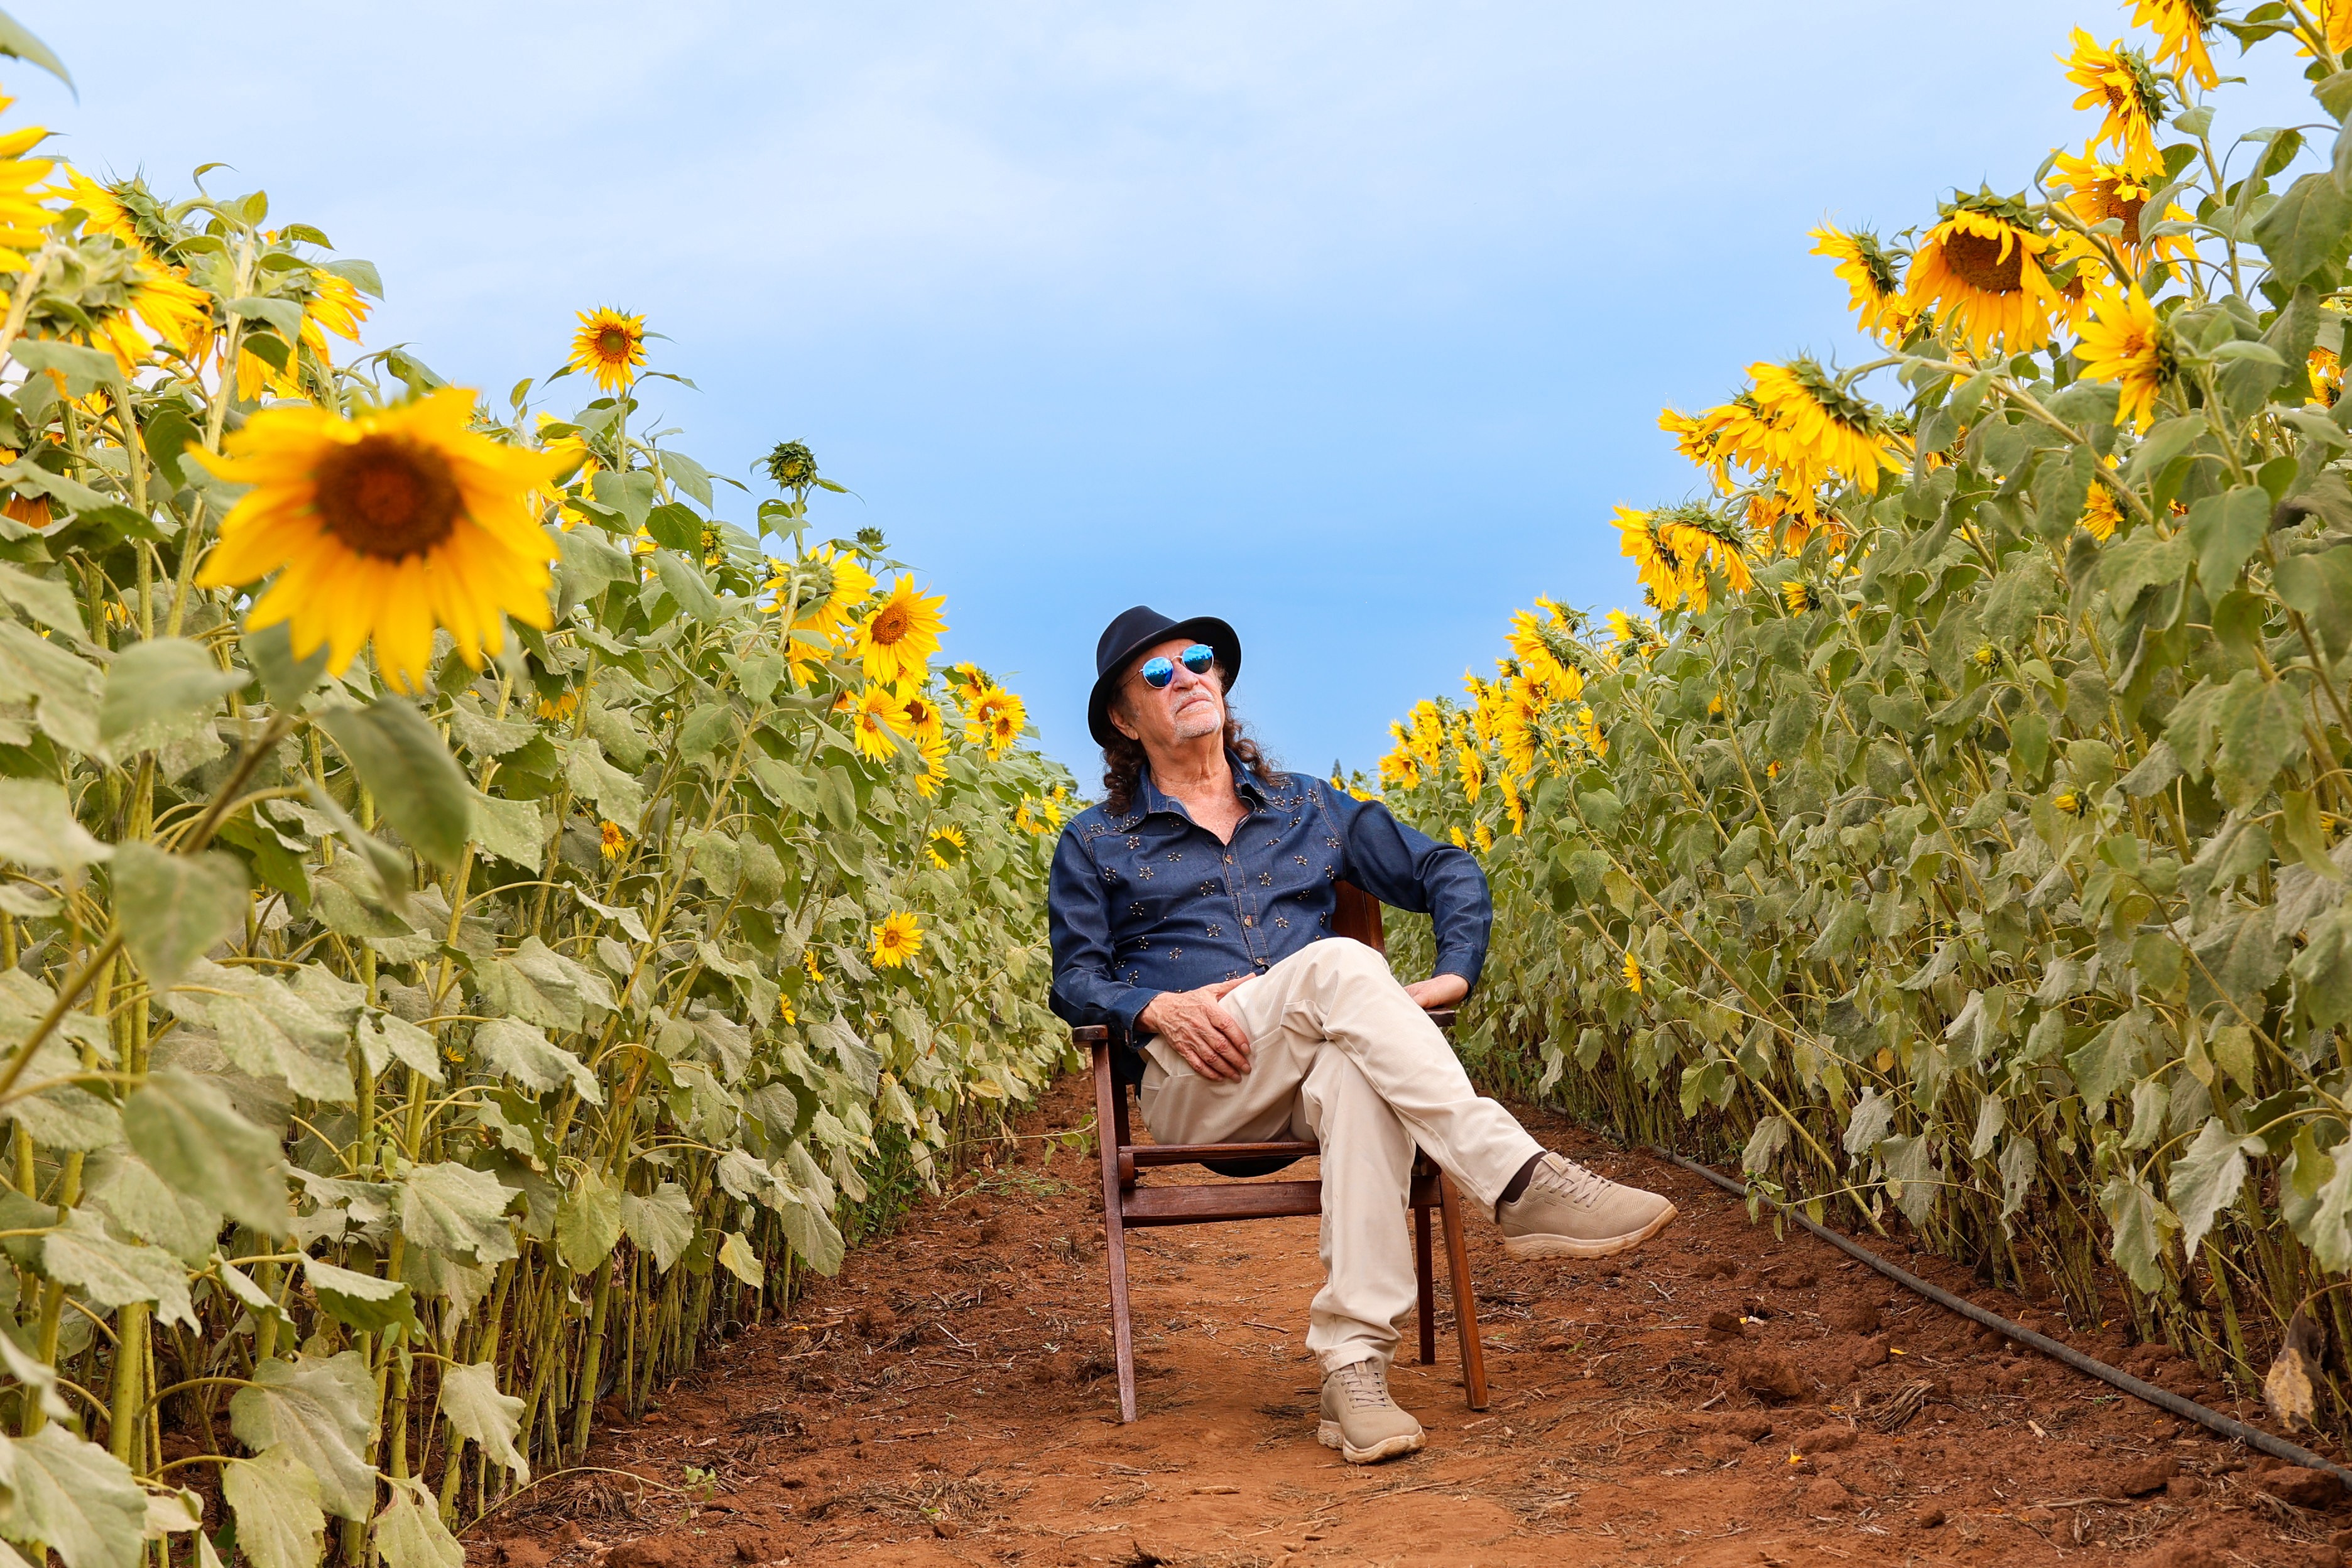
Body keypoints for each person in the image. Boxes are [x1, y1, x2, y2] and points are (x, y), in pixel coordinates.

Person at [1047, 605, 1677, 1464]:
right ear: (1125, 719)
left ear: (1222, 680)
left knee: (1355, 1072)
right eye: (1158, 675)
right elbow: (1075, 977)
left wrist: (1455, 971)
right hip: (1200, 1084)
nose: (1188, 677)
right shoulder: (1095, 841)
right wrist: (1156, 1009)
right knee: (1341, 963)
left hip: (1308, 1080)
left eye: (1198, 660)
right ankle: (1518, 1178)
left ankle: (1352, 1373)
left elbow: (1444, 868)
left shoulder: (1310, 808)